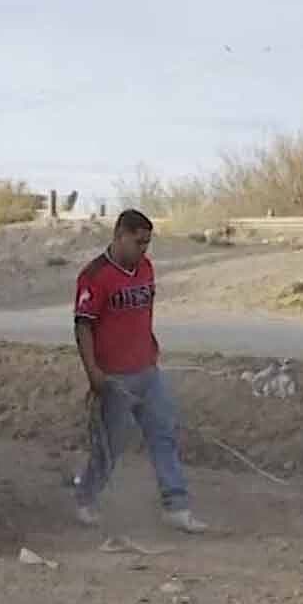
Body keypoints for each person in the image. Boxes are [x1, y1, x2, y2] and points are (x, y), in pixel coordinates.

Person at [72, 209, 208, 535]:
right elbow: (83, 327)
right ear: (120, 236)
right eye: (138, 242)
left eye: (147, 243)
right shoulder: (95, 275)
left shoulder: (146, 269)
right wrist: (94, 373)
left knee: (164, 434)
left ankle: (176, 506)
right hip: (114, 378)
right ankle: (86, 498)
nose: (143, 250)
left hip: (147, 371)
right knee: (110, 445)